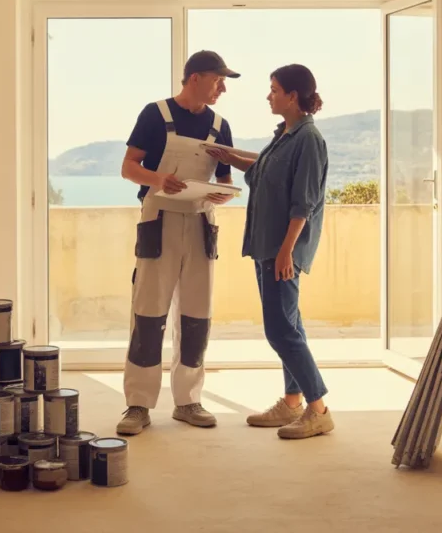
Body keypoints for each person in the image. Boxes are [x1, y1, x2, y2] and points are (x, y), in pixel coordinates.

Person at [206, 63, 334, 440]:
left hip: (282, 249)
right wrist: (230, 157)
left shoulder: (308, 139)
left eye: (274, 90)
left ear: (293, 97)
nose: (269, 95)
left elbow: (304, 202)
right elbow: (263, 170)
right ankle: (292, 402)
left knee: (280, 331)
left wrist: (285, 252)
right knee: (290, 325)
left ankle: (318, 408)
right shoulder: (285, 136)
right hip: (268, 245)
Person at [116, 50, 240, 436]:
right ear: (194, 78)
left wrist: (224, 194)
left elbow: (224, 178)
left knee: (197, 316)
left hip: (202, 223)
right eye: (218, 80)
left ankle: (188, 401)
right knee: (149, 314)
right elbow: (128, 167)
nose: (222, 88)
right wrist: (158, 180)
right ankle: (138, 404)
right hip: (159, 221)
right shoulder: (155, 115)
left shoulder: (221, 125)